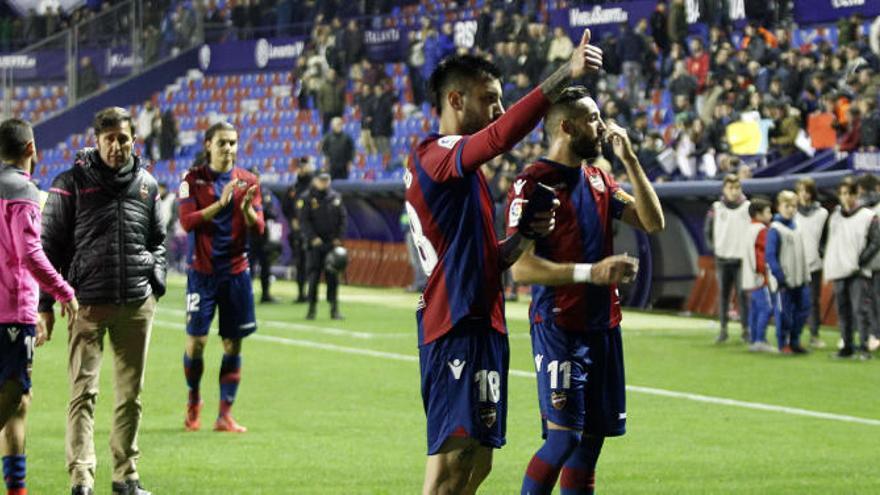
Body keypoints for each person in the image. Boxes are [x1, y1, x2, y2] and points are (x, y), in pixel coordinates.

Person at [408, 29, 602, 494]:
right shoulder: (436, 153)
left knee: (477, 464)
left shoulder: (464, 175)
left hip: (481, 318)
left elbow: (484, 260)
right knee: (453, 469)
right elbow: (498, 136)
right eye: (489, 98)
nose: (498, 109)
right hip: (454, 322)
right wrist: (563, 77)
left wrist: (521, 239)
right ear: (455, 99)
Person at [507, 86, 663, 495]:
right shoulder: (533, 183)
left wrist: (630, 159)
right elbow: (521, 267)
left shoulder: (600, 180)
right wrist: (591, 273)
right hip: (560, 326)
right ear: (566, 126)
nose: (602, 125)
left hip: (603, 326)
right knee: (563, 440)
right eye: (593, 118)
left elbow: (652, 222)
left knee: (590, 442)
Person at [39, 107, 166, 495]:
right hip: (86, 305)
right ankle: (82, 477)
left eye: (123, 138)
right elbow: (49, 247)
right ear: (96, 140)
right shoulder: (71, 183)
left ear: (133, 139)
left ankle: (126, 476)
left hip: (135, 305)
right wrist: (46, 305)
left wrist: (154, 281)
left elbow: (158, 242)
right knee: (84, 394)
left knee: (131, 396)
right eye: (109, 138)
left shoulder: (147, 185)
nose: (116, 145)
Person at [0, 118, 78, 495]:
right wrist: (63, 290)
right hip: (10, 312)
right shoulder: (23, 191)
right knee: (13, 394)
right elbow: (30, 254)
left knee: (19, 403)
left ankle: (17, 490)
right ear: (31, 148)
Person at [177, 122, 265, 434]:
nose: (228, 148)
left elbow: (260, 229)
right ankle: (193, 399)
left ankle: (224, 415)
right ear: (208, 145)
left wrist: (246, 209)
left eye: (233, 143)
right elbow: (187, 222)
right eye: (222, 143)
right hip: (202, 273)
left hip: (237, 273)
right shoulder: (191, 179)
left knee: (232, 345)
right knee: (197, 343)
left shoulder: (249, 181)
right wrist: (221, 203)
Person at [823, 177, 880, 360]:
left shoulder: (867, 216)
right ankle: (846, 346)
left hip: (858, 272)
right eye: (843, 194)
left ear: (856, 194)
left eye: (849, 193)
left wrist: (860, 261)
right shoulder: (835, 216)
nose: (846, 197)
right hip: (839, 270)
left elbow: (876, 242)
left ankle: (863, 348)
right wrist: (830, 257)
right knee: (843, 310)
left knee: (859, 309)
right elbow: (824, 240)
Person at [704, 174, 751, 343]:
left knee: (743, 296)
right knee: (723, 296)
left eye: (737, 188)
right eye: (730, 188)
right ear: (724, 189)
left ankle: (746, 330)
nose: (734, 191)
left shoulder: (747, 207)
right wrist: (714, 248)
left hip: (741, 260)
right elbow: (707, 232)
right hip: (722, 259)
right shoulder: (716, 208)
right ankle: (723, 330)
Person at [766, 191, 811, 354]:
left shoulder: (797, 226)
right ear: (779, 207)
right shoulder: (775, 229)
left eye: (793, 206)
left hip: (800, 278)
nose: (790, 210)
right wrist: (779, 276)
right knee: (784, 313)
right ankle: (782, 342)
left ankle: (795, 340)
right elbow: (770, 256)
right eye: (787, 206)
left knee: (803, 309)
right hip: (783, 281)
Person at [299, 172, 346, 320]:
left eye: (327, 180)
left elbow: (343, 218)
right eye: (321, 180)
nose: (324, 183)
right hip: (315, 245)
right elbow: (304, 221)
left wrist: (338, 238)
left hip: (331, 243)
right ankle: (311, 308)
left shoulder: (335, 197)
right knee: (313, 276)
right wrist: (313, 238)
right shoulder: (306, 198)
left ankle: (334, 309)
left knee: (333, 277)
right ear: (315, 181)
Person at [794, 178, 829, 348]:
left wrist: (821, 255)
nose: (804, 194)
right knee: (796, 301)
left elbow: (826, 239)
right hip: (795, 265)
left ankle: (814, 334)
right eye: (801, 190)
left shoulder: (822, 213)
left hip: (815, 265)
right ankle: (795, 334)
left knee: (813, 301)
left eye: (807, 191)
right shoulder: (792, 213)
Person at [742, 198, 775, 352]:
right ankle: (760, 339)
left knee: (754, 309)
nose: (771, 215)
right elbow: (760, 254)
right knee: (766, 308)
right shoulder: (762, 230)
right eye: (768, 212)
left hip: (748, 276)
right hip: (758, 277)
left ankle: (754, 338)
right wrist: (764, 272)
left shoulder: (748, 228)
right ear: (758, 214)